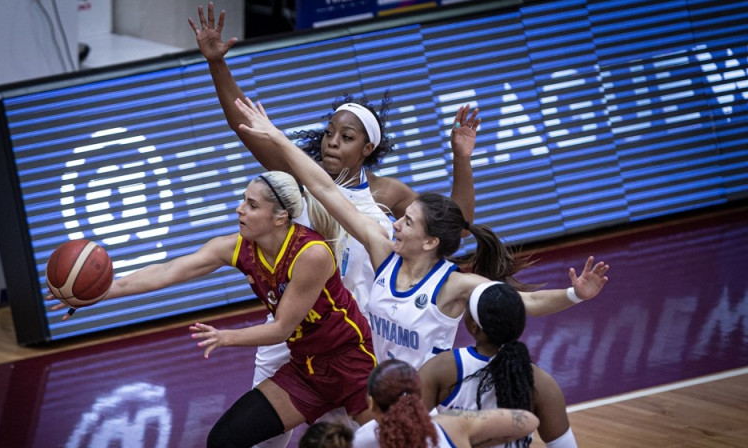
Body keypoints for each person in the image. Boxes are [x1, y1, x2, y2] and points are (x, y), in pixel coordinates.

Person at [189, 5, 480, 446]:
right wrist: (217, 62)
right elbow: (244, 125)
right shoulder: (299, 179)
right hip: (290, 333)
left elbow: (454, 227)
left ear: (368, 148)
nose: (331, 142)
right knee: (253, 440)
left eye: (346, 137)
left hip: (355, 343)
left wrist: (461, 159)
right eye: (329, 133)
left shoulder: (389, 195)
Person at [233, 96, 611, 370]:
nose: (395, 223)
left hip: (420, 397)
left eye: (406, 221)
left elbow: (525, 303)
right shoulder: (383, 254)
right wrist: (278, 137)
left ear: (430, 241)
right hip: (359, 363)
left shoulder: (452, 284)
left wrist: (574, 294)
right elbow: (327, 190)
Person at [47, 170, 376, 448]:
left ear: (280, 217)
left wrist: (225, 338)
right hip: (307, 369)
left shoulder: (311, 254)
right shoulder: (237, 247)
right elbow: (168, 271)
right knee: (223, 440)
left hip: (351, 363)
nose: (239, 209)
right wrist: (100, 292)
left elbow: (281, 329)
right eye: (242, 200)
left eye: (251, 204)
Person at [419, 281, 578, 448]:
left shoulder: (441, 368)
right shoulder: (541, 382)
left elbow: (403, 426)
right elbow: (564, 445)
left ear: (474, 326)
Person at [364, 359, 539, 448]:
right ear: (418, 395)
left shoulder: (360, 440)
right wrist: (472, 437)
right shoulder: (451, 424)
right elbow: (528, 421)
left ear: (371, 403)